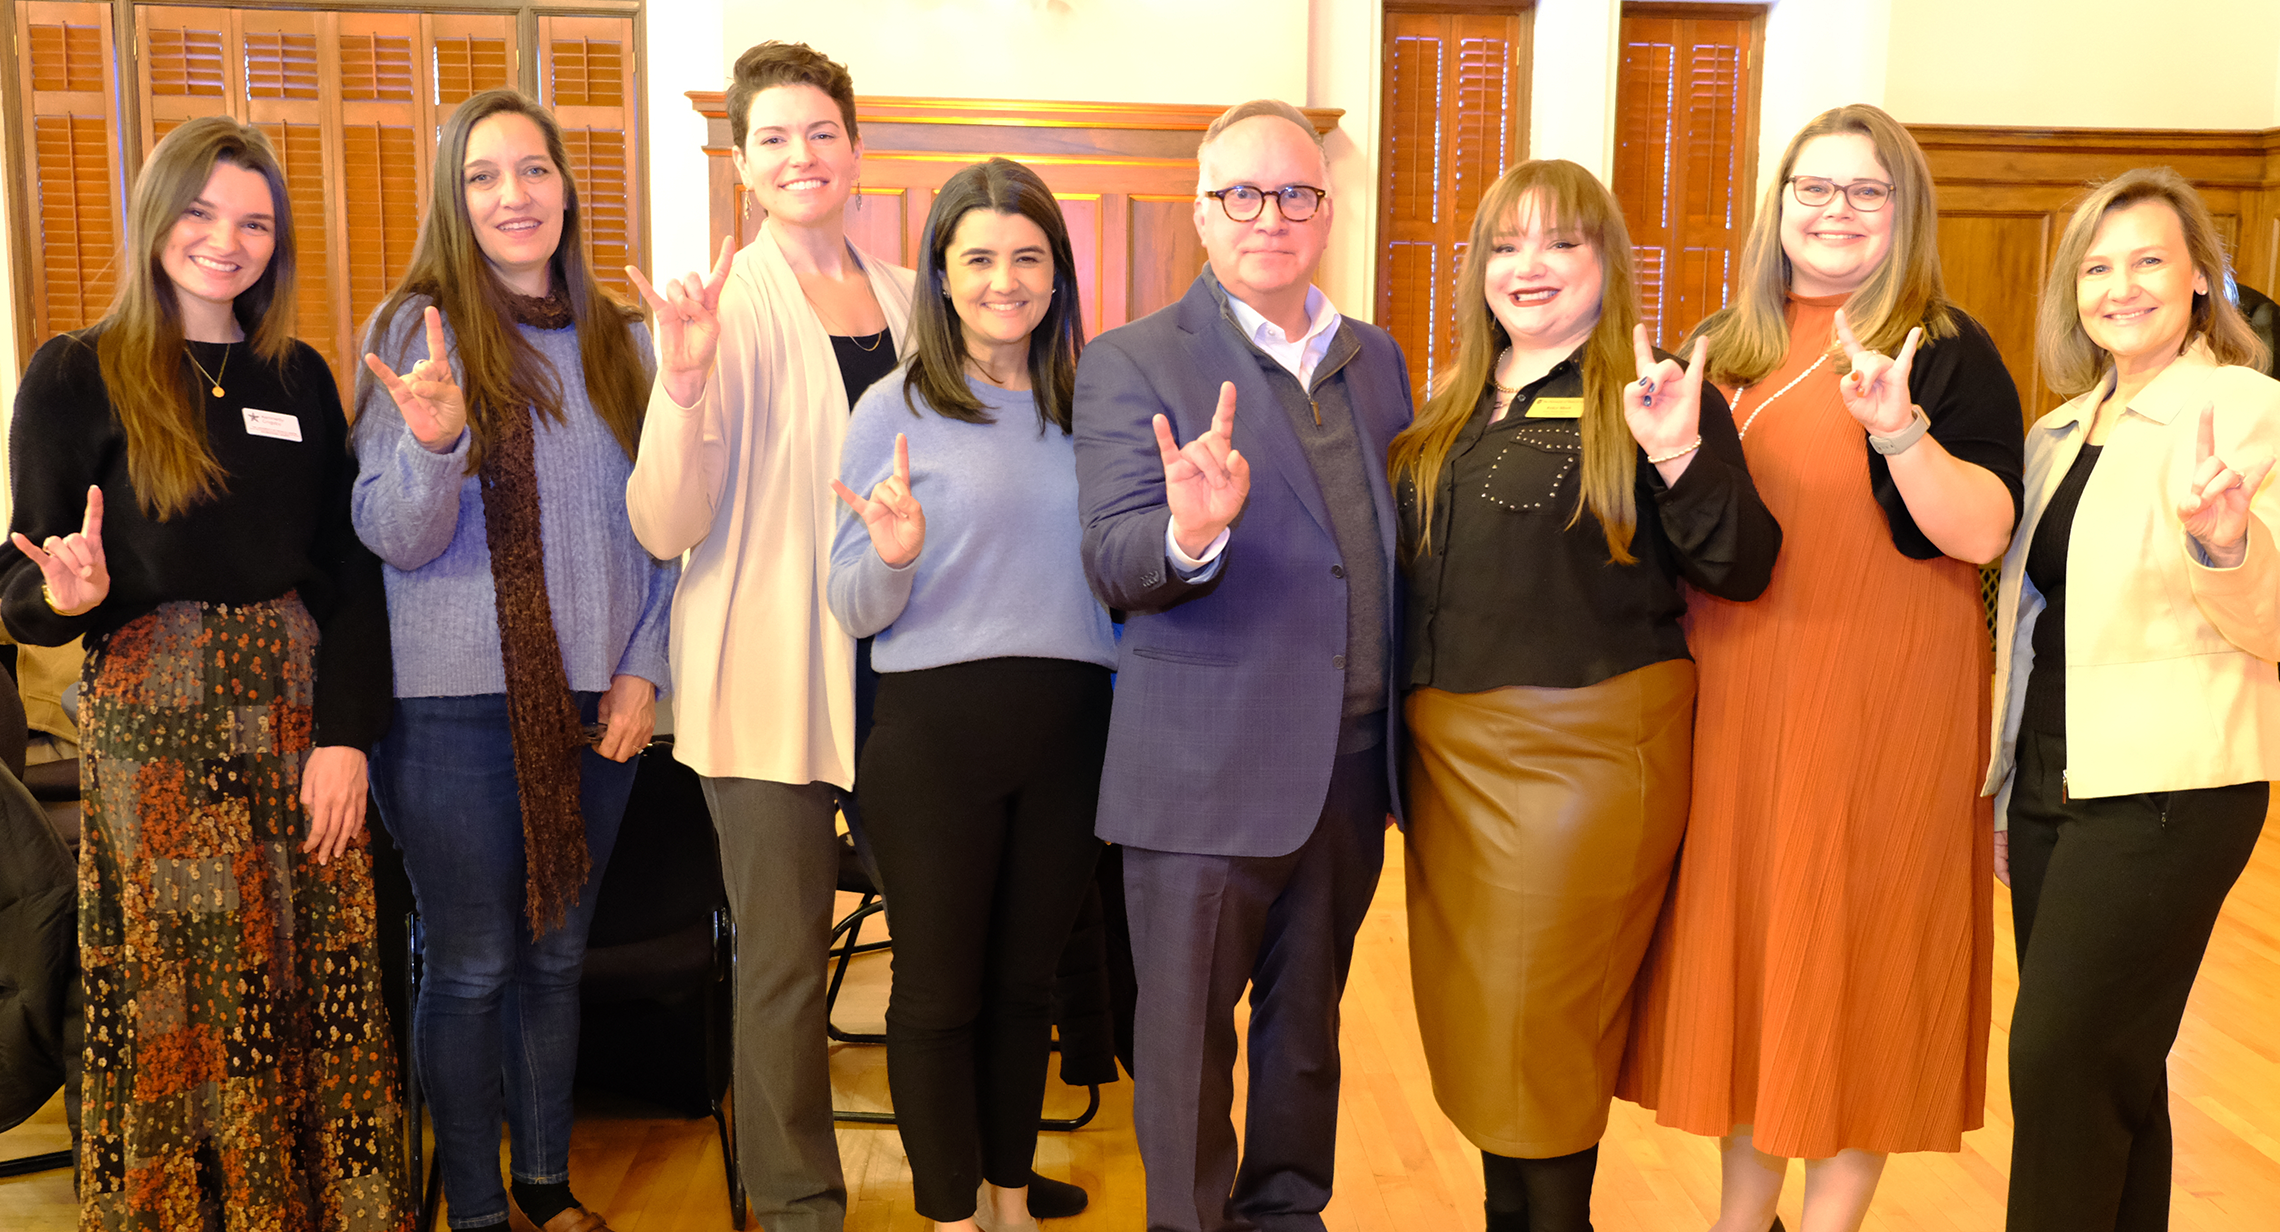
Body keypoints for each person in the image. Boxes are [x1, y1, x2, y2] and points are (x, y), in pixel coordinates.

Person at [1616, 103, 2025, 1232]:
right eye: (1814, 187)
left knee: (1862, 963)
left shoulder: (1945, 347)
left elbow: (1985, 530)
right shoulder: (1722, 347)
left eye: (1866, 190)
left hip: (1890, 702)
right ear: (1777, 204)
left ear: (1905, 213)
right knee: (1760, 965)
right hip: (1741, 698)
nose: (1836, 210)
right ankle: (1740, 1219)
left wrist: (1901, 433)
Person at [0, 115, 407, 1231]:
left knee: (308, 977)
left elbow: (350, 575)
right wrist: (67, 596)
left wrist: (346, 736)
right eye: (201, 212)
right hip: (156, 727)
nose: (226, 241)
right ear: (157, 215)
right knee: (190, 987)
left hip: (295, 714)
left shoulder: (297, 376)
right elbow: (23, 577)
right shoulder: (78, 371)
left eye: (254, 223)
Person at [1390, 160, 1780, 1231]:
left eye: (1560, 242)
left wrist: (1682, 452)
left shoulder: (1649, 397)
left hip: (1580, 762)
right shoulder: (1455, 405)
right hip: (1447, 773)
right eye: (1507, 245)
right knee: (1489, 1047)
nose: (1530, 266)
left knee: (1539, 1048)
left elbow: (1741, 564)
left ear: (1608, 265)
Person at [1072, 98, 1411, 1232]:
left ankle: (1287, 1215)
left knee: (1306, 1040)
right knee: (1181, 1056)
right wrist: (1192, 533)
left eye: (1298, 193)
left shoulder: (1377, 360)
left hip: (1349, 769)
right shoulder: (1132, 362)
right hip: (1200, 779)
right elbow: (1117, 559)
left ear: (1328, 209)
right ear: (1202, 212)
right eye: (1243, 195)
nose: (1272, 215)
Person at [352, 88, 676, 1232]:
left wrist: (645, 664)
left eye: (532, 170)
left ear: (566, 188)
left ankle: (547, 1180)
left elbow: (672, 520)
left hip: (599, 702)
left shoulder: (623, 337)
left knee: (555, 956)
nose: (512, 195)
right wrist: (436, 447)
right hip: (447, 707)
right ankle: (479, 1206)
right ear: (456, 198)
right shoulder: (415, 329)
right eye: (484, 175)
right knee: (475, 960)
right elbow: (391, 533)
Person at [621, 41, 912, 1232]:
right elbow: (662, 519)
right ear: (744, 162)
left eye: (822, 133)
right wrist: (681, 389)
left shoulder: (907, 294)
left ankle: (961, 1162)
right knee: (786, 963)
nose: (802, 156)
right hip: (766, 672)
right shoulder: (718, 308)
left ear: (856, 147)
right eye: (775, 138)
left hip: (902, 662)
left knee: (942, 939)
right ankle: (799, 1204)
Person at [826, 156, 1115, 1232]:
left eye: (1029, 255)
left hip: (1075, 730)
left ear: (1058, 272)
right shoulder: (893, 406)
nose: (1006, 278)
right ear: (941, 275)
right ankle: (951, 1217)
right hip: (932, 738)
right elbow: (851, 600)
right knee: (940, 994)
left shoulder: (1099, 404)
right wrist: (894, 554)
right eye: (980, 256)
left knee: (1023, 990)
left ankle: (1007, 1198)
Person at [1988, 167, 2280, 1232]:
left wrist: (2227, 539)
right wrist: (2006, 785)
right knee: (2116, 1069)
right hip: (2055, 782)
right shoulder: (2059, 432)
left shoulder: (2244, 410)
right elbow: (2033, 630)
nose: (2122, 286)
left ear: (2200, 277)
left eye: (2150, 259)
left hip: (2171, 788)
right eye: (2098, 267)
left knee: (2058, 1060)